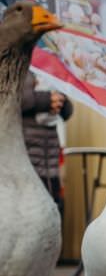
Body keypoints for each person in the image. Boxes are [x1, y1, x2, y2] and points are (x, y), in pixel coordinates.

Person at [21, 71, 73, 218]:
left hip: (51, 163)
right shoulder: (16, 63)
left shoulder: (48, 65)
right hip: (27, 158)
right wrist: (46, 100)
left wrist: (61, 102)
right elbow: (11, 99)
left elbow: (67, 112)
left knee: (53, 211)